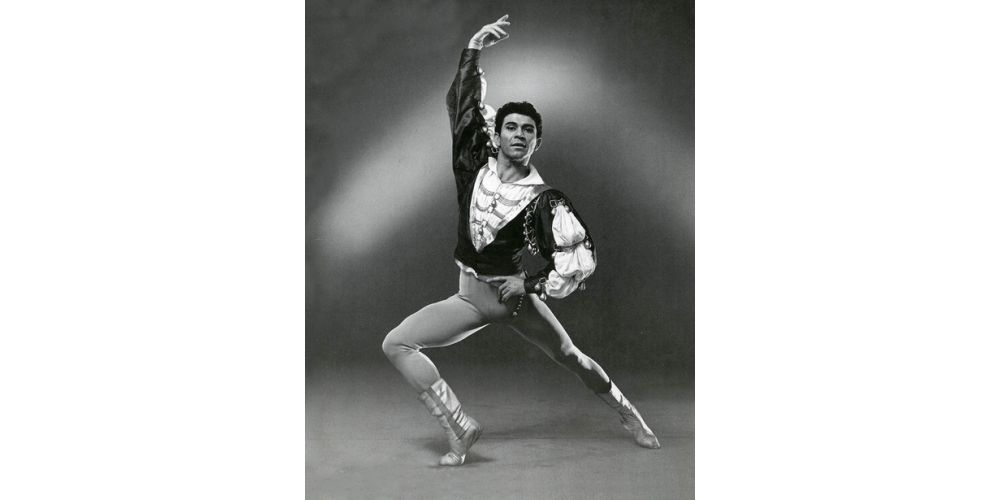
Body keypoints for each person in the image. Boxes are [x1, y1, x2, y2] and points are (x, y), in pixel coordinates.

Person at [381, 15, 660, 467]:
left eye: (528, 130)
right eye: (511, 127)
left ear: (536, 142)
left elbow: (579, 257)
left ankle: (631, 416)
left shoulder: (543, 198)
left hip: (511, 303)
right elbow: (463, 108)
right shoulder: (474, 163)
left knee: (572, 357)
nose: (518, 135)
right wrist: (473, 49)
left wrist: (529, 284)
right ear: (497, 133)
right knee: (397, 343)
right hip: (468, 299)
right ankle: (460, 427)